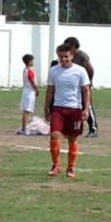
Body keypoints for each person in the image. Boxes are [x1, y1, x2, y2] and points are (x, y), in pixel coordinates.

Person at [44, 43, 91, 178]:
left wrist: (86, 108)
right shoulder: (53, 71)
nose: (63, 59)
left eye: (66, 56)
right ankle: (56, 165)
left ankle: (70, 167)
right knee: (54, 135)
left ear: (72, 56)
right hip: (58, 108)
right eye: (61, 56)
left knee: (72, 139)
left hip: (75, 109)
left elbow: (86, 90)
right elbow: (50, 90)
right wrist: (46, 107)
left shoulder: (80, 71)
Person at [63, 36, 98, 137]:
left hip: (84, 84)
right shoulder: (69, 56)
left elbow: (90, 69)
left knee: (87, 105)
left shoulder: (81, 56)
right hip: (74, 85)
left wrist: (88, 81)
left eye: (69, 47)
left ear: (74, 47)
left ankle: (93, 129)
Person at [16, 54, 39, 135]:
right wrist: (36, 89)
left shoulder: (25, 70)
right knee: (27, 111)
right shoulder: (29, 70)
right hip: (30, 91)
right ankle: (24, 128)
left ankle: (24, 127)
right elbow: (31, 80)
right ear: (29, 62)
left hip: (26, 90)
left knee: (26, 110)